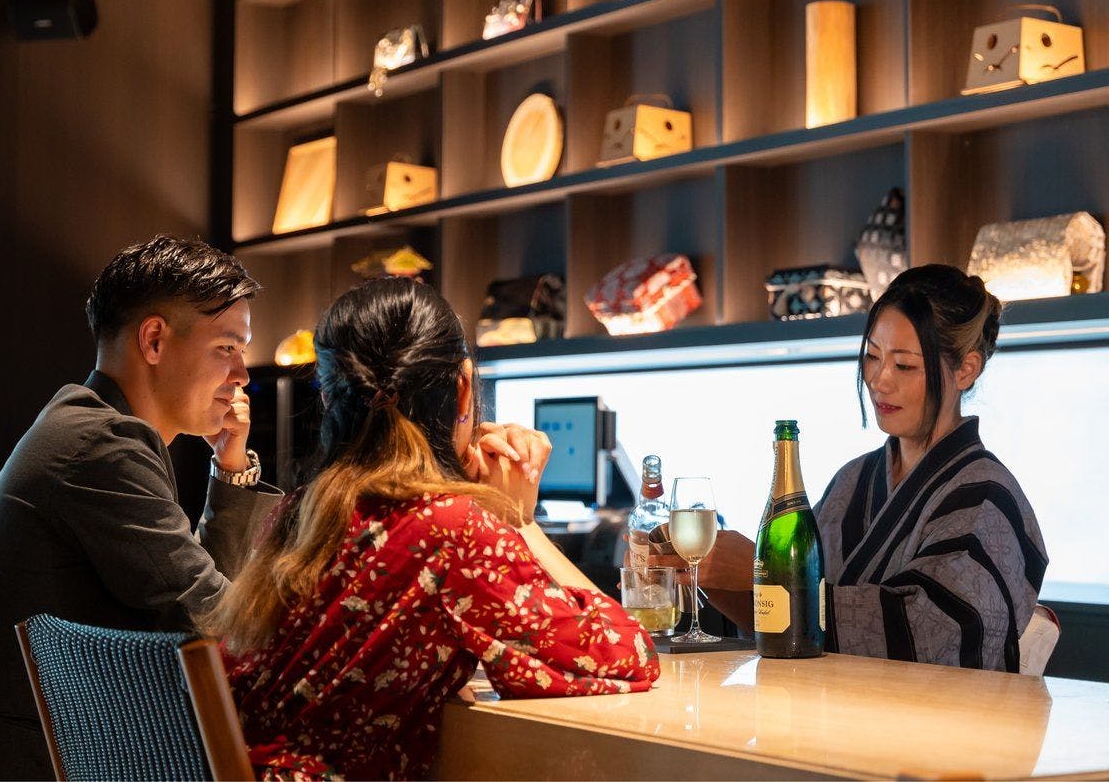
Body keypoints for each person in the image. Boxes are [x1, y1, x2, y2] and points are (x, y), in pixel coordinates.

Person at [212, 278, 659, 780]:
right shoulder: (451, 530)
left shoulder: (299, 510)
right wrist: (518, 521)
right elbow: (628, 653)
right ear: (463, 386)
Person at [0, 236, 283, 779]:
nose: (243, 374)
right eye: (227, 347)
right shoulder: (101, 447)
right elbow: (216, 624)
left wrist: (230, 468)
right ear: (153, 340)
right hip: (5, 761)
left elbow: (205, 622)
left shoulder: (87, 425)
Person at [664, 264, 1047, 672]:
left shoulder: (987, 497)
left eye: (904, 366)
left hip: (932, 712)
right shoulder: (853, 481)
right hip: (825, 702)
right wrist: (711, 575)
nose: (879, 380)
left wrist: (757, 571)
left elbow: (932, 637)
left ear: (966, 369)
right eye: (872, 357)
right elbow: (791, 625)